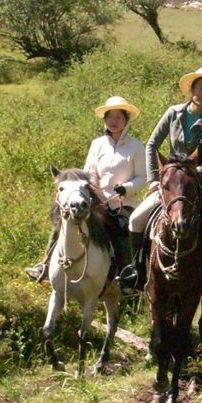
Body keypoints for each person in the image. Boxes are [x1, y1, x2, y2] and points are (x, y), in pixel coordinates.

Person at [123, 67, 202, 297]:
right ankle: (137, 272)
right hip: (169, 183)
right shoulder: (173, 112)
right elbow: (151, 145)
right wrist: (154, 180)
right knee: (136, 220)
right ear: (192, 89)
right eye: (201, 87)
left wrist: (191, 178)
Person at [25, 96, 146, 282]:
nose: (114, 122)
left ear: (126, 119)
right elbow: (89, 173)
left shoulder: (136, 147)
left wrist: (125, 188)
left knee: (122, 230)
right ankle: (46, 265)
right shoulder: (97, 144)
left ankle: (126, 275)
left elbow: (143, 177)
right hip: (96, 201)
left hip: (124, 203)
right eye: (110, 117)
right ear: (105, 119)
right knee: (63, 220)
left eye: (118, 117)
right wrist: (93, 193)